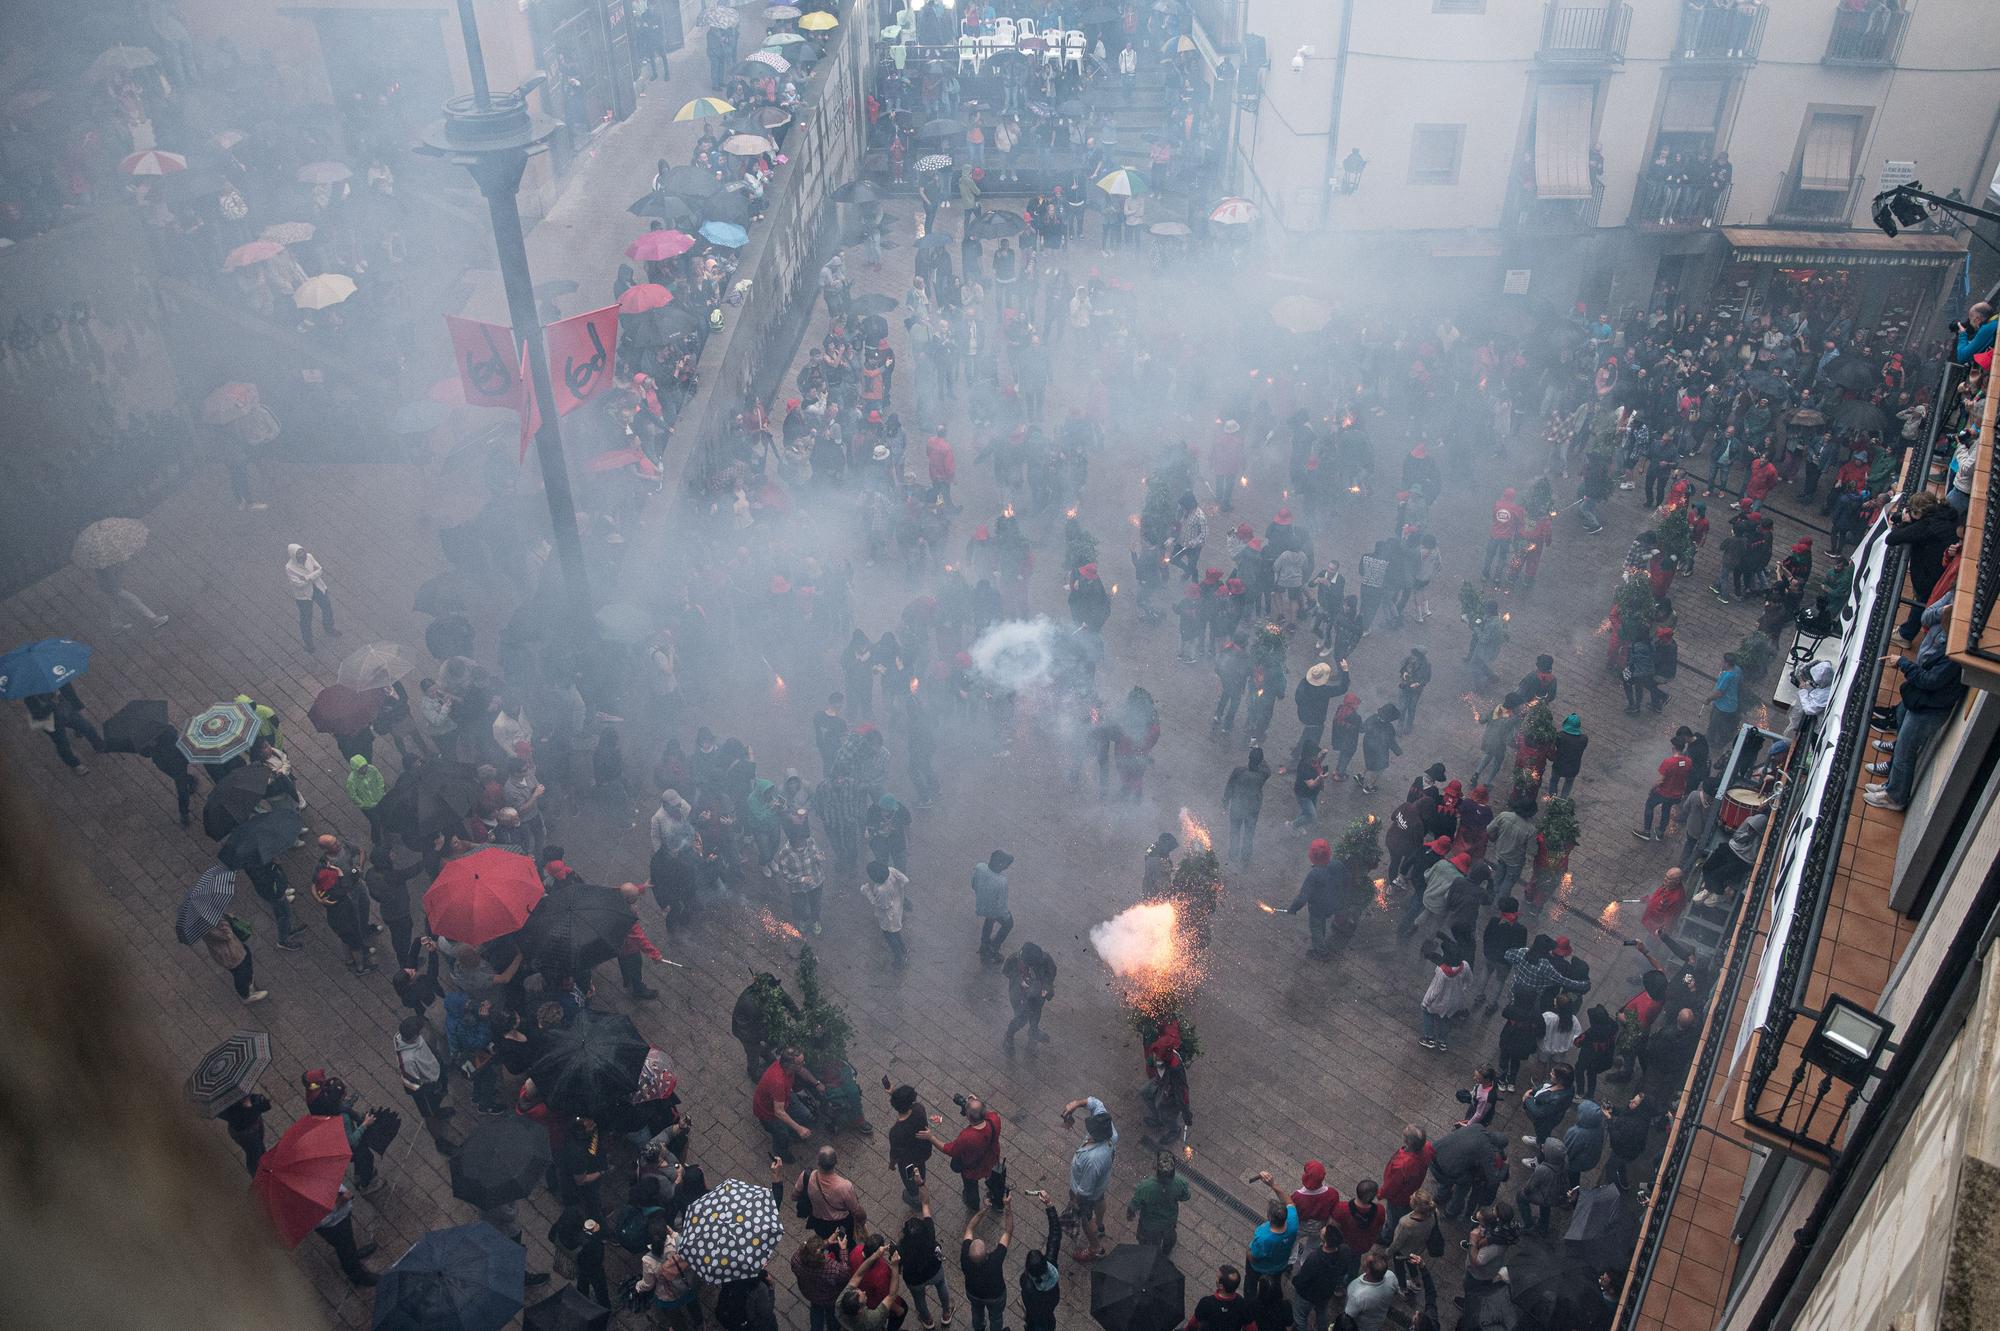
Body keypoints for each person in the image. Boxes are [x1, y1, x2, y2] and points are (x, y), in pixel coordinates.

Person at [923, 1094, 1006, 1211]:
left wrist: (931, 1137)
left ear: (968, 1117)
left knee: (970, 1188)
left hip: (973, 1169)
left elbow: (949, 1149)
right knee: (994, 1180)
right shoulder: (995, 1120)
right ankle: (997, 1200)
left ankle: (973, 1205)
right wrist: (977, 1102)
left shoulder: (967, 1137)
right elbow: (987, 1113)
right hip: (992, 1159)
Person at [1061, 1095, 1117, 1260]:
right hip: (1100, 1185)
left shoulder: (1093, 1160)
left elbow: (1084, 1190)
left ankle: (1095, 1248)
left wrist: (1074, 1203)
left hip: (1087, 1192)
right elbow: (1096, 1103)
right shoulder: (1109, 1129)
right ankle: (1100, 1225)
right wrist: (1076, 1104)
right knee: (1100, 1199)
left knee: (1085, 1219)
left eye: (1091, 1129)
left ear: (1097, 1134)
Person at [899, 1178, 954, 1330]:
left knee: (919, 1297)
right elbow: (925, 1204)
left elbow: (896, 1265)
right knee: (941, 1284)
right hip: (934, 1269)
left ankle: (928, 1321)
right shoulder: (928, 1232)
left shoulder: (901, 1248)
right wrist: (921, 1183)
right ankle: (946, 1313)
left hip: (914, 1279)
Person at [1286, 838, 1350, 958]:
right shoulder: (1337, 864)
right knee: (1323, 923)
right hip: (1334, 902)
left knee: (1316, 928)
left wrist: (1293, 908)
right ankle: (1338, 926)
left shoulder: (1314, 875)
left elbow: (1302, 897)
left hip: (1318, 908)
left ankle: (1321, 952)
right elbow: (1346, 879)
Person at [753, 1047, 820, 1162]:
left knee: (804, 1115)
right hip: (769, 1113)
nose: (804, 1064)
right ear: (790, 1065)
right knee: (782, 1135)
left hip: (785, 1097)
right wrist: (799, 1129)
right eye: (800, 1063)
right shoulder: (778, 1081)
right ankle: (781, 1152)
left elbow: (802, 1071)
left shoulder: (787, 1067)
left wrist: (817, 1083)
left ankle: (794, 1135)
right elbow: (778, 1112)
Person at [959, 1190, 1013, 1331]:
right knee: (996, 1317)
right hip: (996, 1296)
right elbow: (1008, 1231)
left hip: (973, 1293)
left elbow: (969, 1228)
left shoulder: (965, 1257)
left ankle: (979, 1328)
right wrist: (1007, 1207)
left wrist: (983, 1210)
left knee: (976, 1313)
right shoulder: (995, 1260)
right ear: (987, 1254)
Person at [22, 682, 105, 775]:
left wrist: (77, 706)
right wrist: (52, 704)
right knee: (63, 744)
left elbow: (69, 690)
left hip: (66, 711)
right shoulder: (30, 697)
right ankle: (75, 764)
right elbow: (39, 715)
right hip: (52, 722)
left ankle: (98, 744)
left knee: (86, 726)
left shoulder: (56, 679)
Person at [1127, 1150, 1192, 1253]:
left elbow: (1134, 1205)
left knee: (1146, 1244)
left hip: (1149, 1225)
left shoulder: (1145, 1186)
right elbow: (1186, 1196)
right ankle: (1165, 1254)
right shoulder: (1180, 1183)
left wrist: (1130, 1215)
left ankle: (1149, 1254)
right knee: (1169, 1239)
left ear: (1156, 1168)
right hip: (1169, 1222)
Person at [313, 1183, 378, 1286]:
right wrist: (339, 1202)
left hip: (341, 1216)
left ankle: (353, 1254)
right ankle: (358, 1277)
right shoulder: (299, 1198)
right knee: (344, 1248)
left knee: (348, 1243)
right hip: (333, 1226)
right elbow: (319, 1221)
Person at [798, 1146, 868, 1241]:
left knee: (826, 1241)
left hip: (818, 1222)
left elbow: (794, 1196)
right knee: (845, 1242)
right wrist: (862, 1220)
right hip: (840, 1224)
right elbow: (856, 1210)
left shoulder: (806, 1176)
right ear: (836, 1162)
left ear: (818, 1162)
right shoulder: (845, 1186)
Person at [1017, 1193, 1065, 1331]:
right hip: (1049, 1310)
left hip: (1035, 1318)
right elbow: (1055, 1235)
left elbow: (1029, 1305)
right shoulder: (1052, 1266)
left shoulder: (1028, 1285)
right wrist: (1049, 1205)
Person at [1244, 1191, 1300, 1300]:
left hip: (1259, 1268)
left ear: (1269, 1218)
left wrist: (1248, 1251)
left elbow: (1253, 1257)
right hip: (1280, 1265)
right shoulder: (1293, 1222)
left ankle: (1249, 1301)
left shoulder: (1263, 1238)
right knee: (1276, 1282)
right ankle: (1274, 1296)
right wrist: (1273, 1185)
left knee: (1251, 1282)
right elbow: (1290, 1203)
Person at [1637, 736, 1694, 842]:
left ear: (1673, 748)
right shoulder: (1688, 761)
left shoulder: (1668, 762)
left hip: (1663, 792)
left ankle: (1646, 831)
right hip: (1676, 795)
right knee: (1666, 809)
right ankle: (1660, 832)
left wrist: (1652, 789)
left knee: (1649, 805)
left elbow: (1660, 781)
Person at [1002, 942, 1056, 1052]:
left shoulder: (1044, 959)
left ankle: (1033, 1034)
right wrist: (1020, 981)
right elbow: (1007, 972)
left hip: (1037, 994)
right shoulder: (1014, 960)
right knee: (1021, 1018)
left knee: (1036, 1014)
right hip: (1019, 995)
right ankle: (1008, 1036)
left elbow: (1050, 974)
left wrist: (1046, 987)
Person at [1223, 744, 1271, 868]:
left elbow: (1229, 786)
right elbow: (1267, 768)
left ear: (1249, 759)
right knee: (1249, 833)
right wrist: (1258, 750)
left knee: (1235, 831)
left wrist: (1225, 801)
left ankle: (1233, 854)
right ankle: (1245, 857)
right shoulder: (1263, 774)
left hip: (1237, 807)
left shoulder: (1239, 771)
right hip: (1253, 809)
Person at [283, 543, 338, 652]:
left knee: (327, 607)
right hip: (304, 596)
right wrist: (312, 575)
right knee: (306, 619)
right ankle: (308, 643)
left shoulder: (309, 557)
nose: (301, 554)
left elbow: (320, 570)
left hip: (318, 588)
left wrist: (306, 578)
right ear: (293, 555)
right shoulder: (289, 568)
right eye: (298, 553)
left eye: (302, 551)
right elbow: (298, 584)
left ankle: (329, 628)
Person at [201, 917, 265, 1004]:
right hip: (229, 953)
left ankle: (248, 982)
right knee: (239, 971)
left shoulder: (204, 923)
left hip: (229, 949)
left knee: (244, 958)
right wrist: (224, 921)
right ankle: (245, 995)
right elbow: (227, 934)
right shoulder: (208, 926)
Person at [861, 860, 909, 964]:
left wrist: (867, 892)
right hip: (898, 906)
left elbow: (882, 905)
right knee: (896, 931)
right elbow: (905, 880)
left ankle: (899, 958)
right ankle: (903, 948)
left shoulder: (881, 889)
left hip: (889, 916)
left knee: (889, 935)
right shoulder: (891, 870)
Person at [1342, 1250, 1402, 1331]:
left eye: (1365, 1262)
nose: (1363, 1260)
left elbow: (1348, 1316)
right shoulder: (1391, 1276)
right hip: (1378, 1322)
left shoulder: (1357, 1293)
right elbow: (1395, 1292)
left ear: (1368, 1271)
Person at [973, 850, 1014, 961]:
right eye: (1006, 864)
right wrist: (1006, 916)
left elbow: (973, 884)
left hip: (981, 904)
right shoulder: (1001, 882)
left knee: (989, 919)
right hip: (993, 909)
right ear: (1000, 865)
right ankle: (993, 948)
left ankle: (984, 942)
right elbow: (1001, 905)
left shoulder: (980, 867)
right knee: (1008, 924)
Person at [219, 1091, 272, 1174]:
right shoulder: (227, 1109)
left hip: (254, 1127)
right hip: (246, 1134)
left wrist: (255, 1101)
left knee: (259, 1147)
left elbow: (266, 1106)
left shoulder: (245, 1095)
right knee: (253, 1155)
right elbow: (240, 1121)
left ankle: (264, 1162)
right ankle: (258, 1176)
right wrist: (248, 1107)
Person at [1187, 1265, 1250, 1331]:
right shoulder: (1242, 1303)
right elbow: (1250, 1326)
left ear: (1221, 1286)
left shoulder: (1206, 1303)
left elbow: (1193, 1323)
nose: (1215, 1278)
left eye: (1217, 1277)